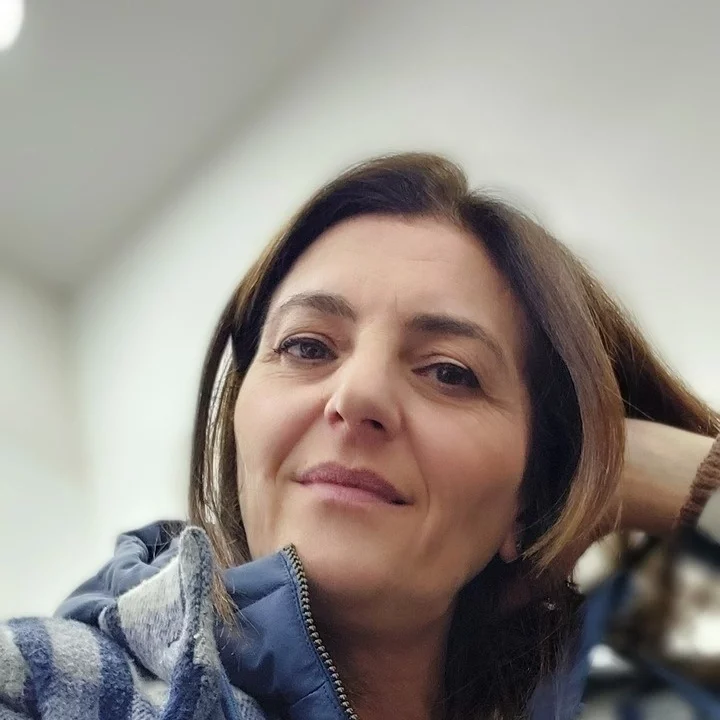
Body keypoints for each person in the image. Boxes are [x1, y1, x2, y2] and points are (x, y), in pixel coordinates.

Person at [1, 153, 718, 720]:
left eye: (449, 372)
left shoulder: (624, 696)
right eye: (307, 347)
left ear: (531, 493)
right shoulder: (50, 684)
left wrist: (672, 476)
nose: (357, 397)